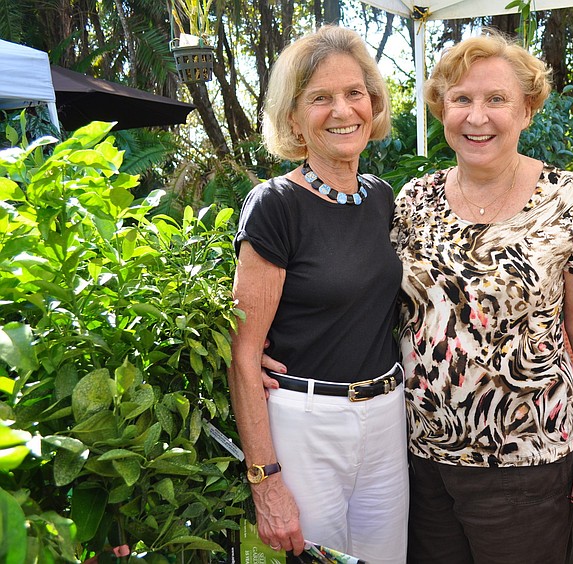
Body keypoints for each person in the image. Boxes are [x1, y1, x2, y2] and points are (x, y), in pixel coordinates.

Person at [390, 31, 573, 563]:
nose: (477, 117)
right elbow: (382, 307)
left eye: (496, 100)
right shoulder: (413, 200)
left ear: (527, 111)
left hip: (526, 459)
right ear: (441, 109)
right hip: (420, 456)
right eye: (462, 99)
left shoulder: (568, 198)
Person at [229, 25, 407, 564]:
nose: (343, 109)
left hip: (386, 418)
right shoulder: (275, 205)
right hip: (306, 424)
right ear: (293, 118)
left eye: (355, 93)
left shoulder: (381, 198)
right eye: (320, 98)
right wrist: (265, 480)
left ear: (374, 104)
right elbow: (244, 353)